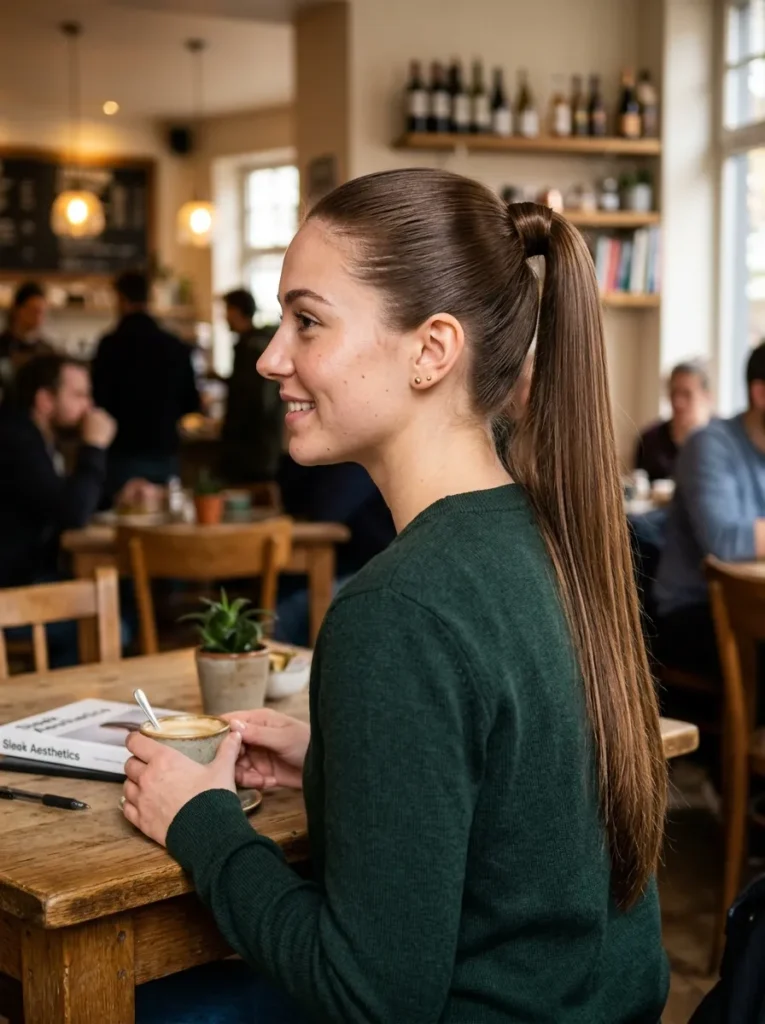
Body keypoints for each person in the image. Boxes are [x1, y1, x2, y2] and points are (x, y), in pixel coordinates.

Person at [124, 170, 668, 1023]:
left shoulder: (396, 612)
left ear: (431, 351)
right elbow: (525, 803)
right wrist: (345, 763)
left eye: (307, 321)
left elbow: (369, 996)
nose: (269, 358)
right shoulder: (557, 538)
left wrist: (202, 821)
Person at [654, 343, 765, 676]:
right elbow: (724, 541)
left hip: (749, 605)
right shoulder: (708, 444)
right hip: (691, 609)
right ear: (760, 394)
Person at [0, 354, 115, 666]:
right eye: (79, 395)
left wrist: (118, 496)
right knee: (112, 626)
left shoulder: (31, 436)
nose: (89, 407)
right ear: (45, 400)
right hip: (11, 593)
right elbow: (73, 513)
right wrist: (94, 446)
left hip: (27, 579)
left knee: (120, 603)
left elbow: (58, 498)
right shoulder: (16, 441)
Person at [91, 270, 200, 503]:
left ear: (120, 299)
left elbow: (98, 400)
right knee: (165, 518)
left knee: (120, 517)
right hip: (164, 449)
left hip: (120, 451)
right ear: (149, 298)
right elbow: (192, 402)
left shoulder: (109, 346)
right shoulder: (175, 345)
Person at [274, 455, 396, 645]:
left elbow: (326, 512)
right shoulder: (324, 462)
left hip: (371, 573)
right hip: (337, 569)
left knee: (280, 618)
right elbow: (291, 500)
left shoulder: (360, 465)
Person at [219, 289, 283, 485]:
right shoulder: (257, 343)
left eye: (226, 310)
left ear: (236, 311)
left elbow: (251, 397)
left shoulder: (251, 346)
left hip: (251, 446)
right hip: (261, 444)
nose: (224, 317)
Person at [635, 360, 712, 482]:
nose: (678, 402)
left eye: (687, 394)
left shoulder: (720, 441)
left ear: (706, 396)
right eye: (674, 393)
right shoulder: (650, 441)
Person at [0, 281, 54, 402]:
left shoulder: (48, 351)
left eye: (42, 311)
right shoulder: (2, 345)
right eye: (34, 310)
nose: (39, 316)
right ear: (18, 310)